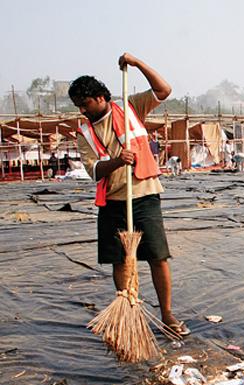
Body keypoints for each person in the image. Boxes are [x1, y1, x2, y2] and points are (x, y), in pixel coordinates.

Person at [69, 53, 189, 337]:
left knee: (157, 257)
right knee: (119, 260)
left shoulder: (130, 106)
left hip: (144, 195)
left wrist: (137, 64)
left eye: (85, 104)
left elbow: (164, 90)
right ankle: (129, 312)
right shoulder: (84, 132)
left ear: (100, 97)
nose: (83, 111)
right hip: (112, 201)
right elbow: (94, 170)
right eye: (78, 107)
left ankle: (167, 314)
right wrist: (117, 161)